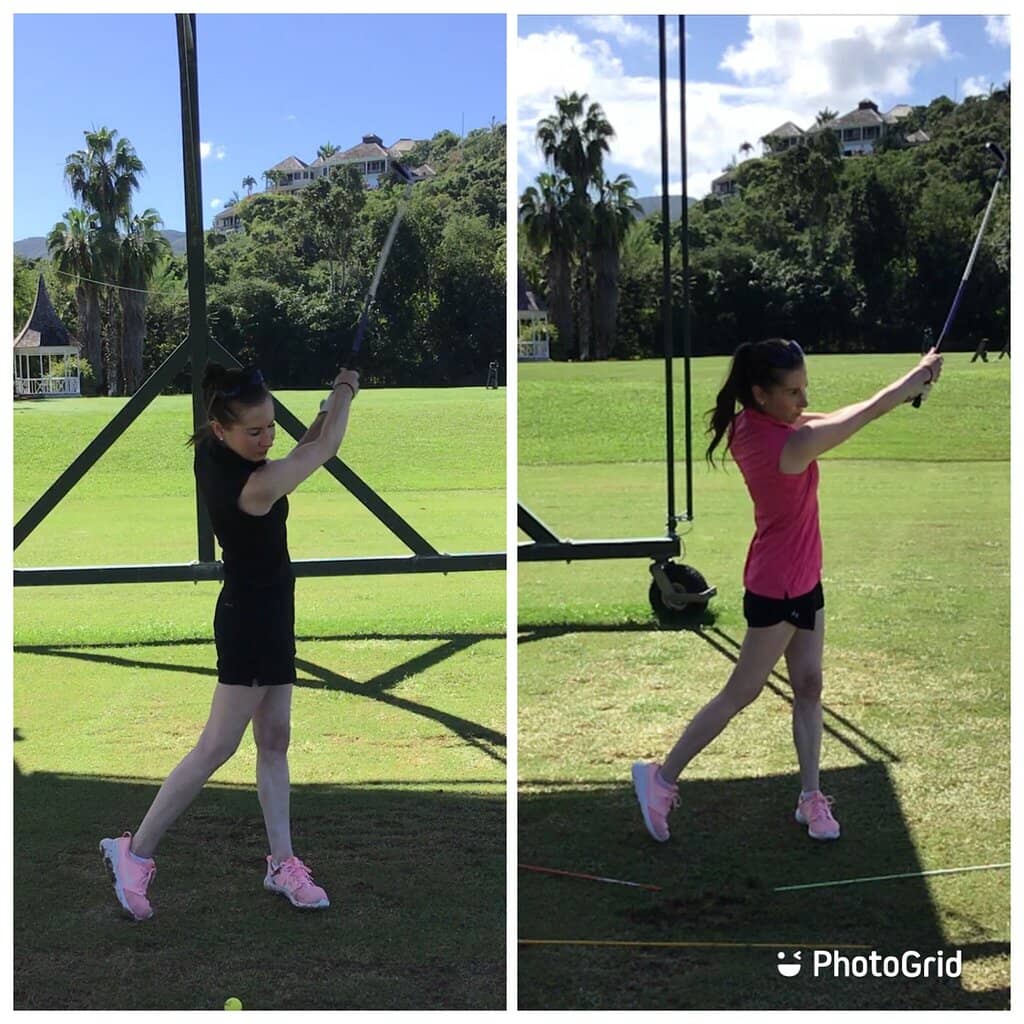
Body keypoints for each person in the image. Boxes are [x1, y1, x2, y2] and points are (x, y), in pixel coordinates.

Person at [632, 338, 943, 844]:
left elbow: (835, 416)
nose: (803, 400)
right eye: (793, 392)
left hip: (804, 578)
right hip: (776, 586)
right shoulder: (787, 446)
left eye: (804, 389)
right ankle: (660, 779)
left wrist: (908, 388)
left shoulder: (754, 423)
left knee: (810, 684)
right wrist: (916, 378)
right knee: (742, 691)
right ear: (761, 393)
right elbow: (861, 416)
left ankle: (810, 797)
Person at [100, 361, 360, 920]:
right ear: (221, 428)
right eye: (255, 431)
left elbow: (303, 449)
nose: (267, 439)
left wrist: (323, 408)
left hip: (271, 613)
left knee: (275, 739)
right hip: (250, 622)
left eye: (271, 427)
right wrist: (344, 390)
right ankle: (134, 853)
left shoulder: (214, 452)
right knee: (217, 747)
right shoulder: (253, 488)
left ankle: (281, 864)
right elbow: (323, 449)